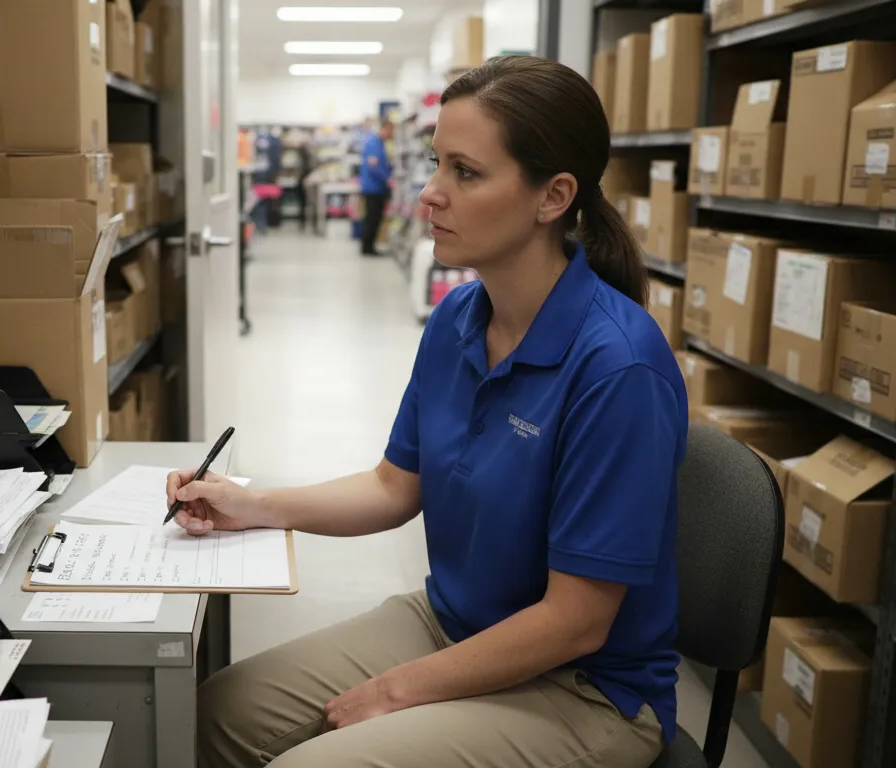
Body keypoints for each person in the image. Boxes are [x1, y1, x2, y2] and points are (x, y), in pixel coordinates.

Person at [169, 55, 685, 768]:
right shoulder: (459, 320)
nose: (428, 196)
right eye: (437, 164)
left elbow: (575, 624)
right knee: (214, 714)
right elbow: (393, 486)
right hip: (453, 623)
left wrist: (394, 691)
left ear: (553, 196)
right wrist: (250, 505)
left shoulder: (618, 367)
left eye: (464, 173)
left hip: (584, 689)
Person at [358, 118, 394, 255]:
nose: (392, 134)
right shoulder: (374, 143)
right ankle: (367, 248)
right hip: (373, 188)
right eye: (391, 131)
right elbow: (373, 166)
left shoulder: (379, 142)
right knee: (372, 219)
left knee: (374, 218)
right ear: (384, 129)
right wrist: (387, 179)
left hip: (377, 188)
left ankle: (369, 246)